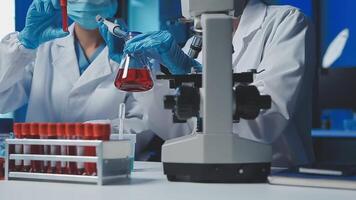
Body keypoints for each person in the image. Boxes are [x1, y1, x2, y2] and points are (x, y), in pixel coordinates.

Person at [120, 0, 316, 167]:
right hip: (204, 170)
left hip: (272, 173)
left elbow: (265, 122)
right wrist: (146, 71)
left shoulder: (285, 21)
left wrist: (198, 78)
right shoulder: (196, 43)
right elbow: (179, 130)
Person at [0, 0, 153, 155]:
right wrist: (25, 43)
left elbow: (145, 123)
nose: (86, 1)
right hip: (37, 166)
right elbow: (2, 100)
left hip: (104, 167)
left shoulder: (138, 52)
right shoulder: (43, 47)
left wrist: (93, 134)